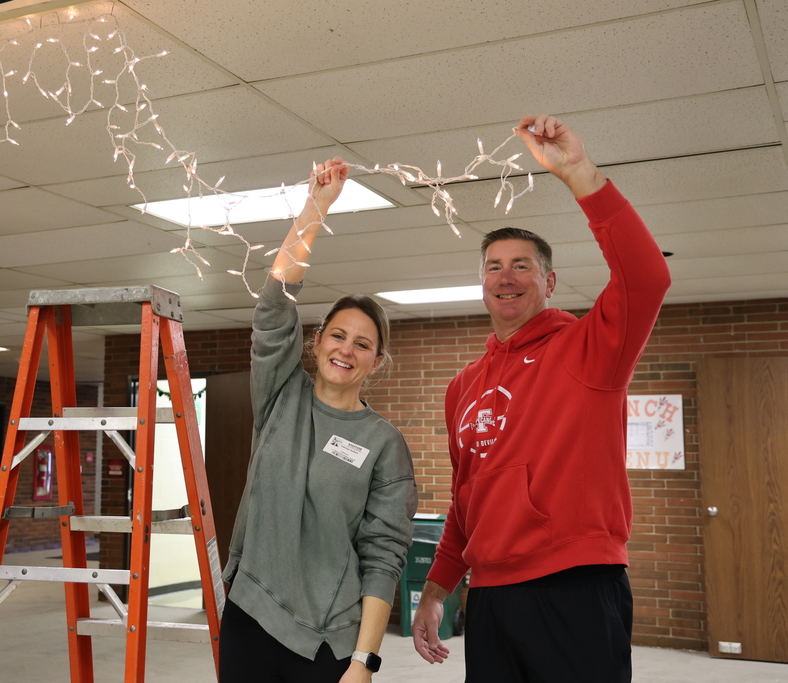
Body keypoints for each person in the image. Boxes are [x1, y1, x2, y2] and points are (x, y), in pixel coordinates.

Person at [411, 114, 672, 682]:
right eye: (494, 267)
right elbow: (466, 500)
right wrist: (436, 589)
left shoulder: (587, 350)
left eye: (522, 266)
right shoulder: (463, 387)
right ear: (482, 284)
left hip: (574, 587)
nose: (506, 277)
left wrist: (579, 172)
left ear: (549, 283)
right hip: (491, 598)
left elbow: (647, 279)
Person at [219, 157, 418, 683]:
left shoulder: (383, 444)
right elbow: (272, 308)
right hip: (249, 612)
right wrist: (316, 207)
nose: (346, 350)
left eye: (363, 344)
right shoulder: (283, 396)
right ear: (317, 340)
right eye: (337, 335)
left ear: (377, 362)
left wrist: (364, 661)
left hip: (327, 640)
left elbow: (383, 558)